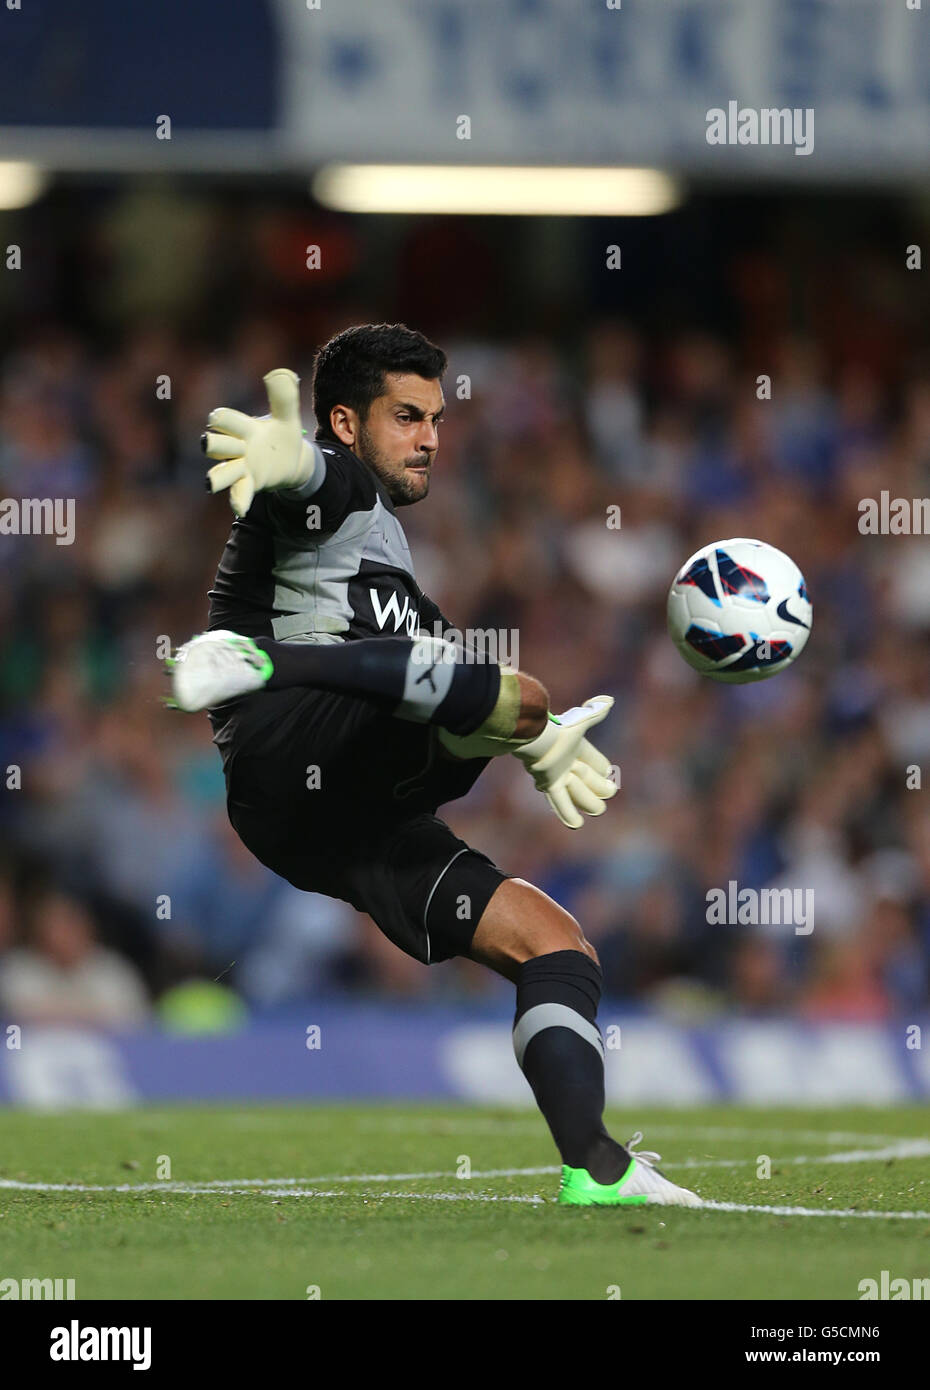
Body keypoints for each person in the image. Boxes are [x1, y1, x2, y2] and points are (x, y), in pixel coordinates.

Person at [167, 323, 699, 1208]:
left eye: (438, 419)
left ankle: (598, 1171)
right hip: (288, 741)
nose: (431, 439)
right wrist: (288, 458)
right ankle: (266, 658)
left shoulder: (398, 575)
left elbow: (446, 683)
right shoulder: (329, 494)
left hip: (343, 818)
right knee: (505, 691)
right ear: (342, 421)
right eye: (407, 417)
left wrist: (531, 740)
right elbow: (313, 484)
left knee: (558, 945)